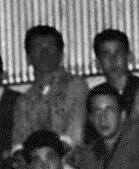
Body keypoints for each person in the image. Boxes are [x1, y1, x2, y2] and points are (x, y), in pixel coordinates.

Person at [14, 25, 88, 161]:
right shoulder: (24, 100)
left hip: (70, 161)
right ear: (28, 58)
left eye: (50, 46)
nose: (44, 53)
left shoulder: (76, 86)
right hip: (34, 166)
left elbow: (75, 137)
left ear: (61, 54)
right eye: (38, 47)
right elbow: (19, 144)